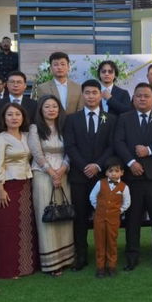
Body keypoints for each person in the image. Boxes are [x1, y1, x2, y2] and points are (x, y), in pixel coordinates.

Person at [115, 83, 152, 271]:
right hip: (133, 177)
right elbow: (118, 142)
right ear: (133, 98)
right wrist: (131, 162)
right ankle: (131, 256)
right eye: (138, 96)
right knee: (133, 219)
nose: (142, 99)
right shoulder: (124, 118)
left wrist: (149, 150)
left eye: (146, 96)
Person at [64, 79, 116, 271]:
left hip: (101, 176)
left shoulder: (110, 119)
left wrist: (97, 165)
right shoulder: (71, 119)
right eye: (87, 93)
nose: (91, 96)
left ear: (100, 94)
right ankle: (81, 255)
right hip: (79, 176)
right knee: (80, 218)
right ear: (82, 95)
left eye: (95, 92)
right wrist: (85, 166)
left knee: (103, 217)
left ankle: (105, 255)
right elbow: (70, 145)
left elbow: (112, 146)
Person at [29, 95, 75, 276]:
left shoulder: (65, 127)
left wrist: (62, 170)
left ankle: (67, 258)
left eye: (54, 106)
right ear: (41, 109)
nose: (51, 110)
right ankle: (51, 263)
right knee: (47, 215)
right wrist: (51, 172)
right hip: (42, 175)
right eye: (47, 107)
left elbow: (70, 150)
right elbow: (37, 153)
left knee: (64, 213)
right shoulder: (34, 128)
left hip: (64, 174)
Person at [0, 102, 38, 279]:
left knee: (25, 226)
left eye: (17, 114)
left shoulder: (27, 136)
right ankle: (9, 269)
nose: (14, 118)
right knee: (8, 229)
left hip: (26, 184)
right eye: (10, 115)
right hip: (8, 185)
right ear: (4, 118)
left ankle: (26, 266)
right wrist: (0, 187)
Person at [89, 158, 131, 278]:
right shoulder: (100, 183)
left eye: (116, 171)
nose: (113, 173)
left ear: (121, 172)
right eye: (110, 171)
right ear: (106, 173)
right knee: (100, 242)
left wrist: (118, 211)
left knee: (112, 242)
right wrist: (99, 208)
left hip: (114, 219)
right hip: (99, 218)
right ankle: (100, 267)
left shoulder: (124, 187)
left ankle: (111, 266)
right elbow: (92, 196)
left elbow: (127, 202)